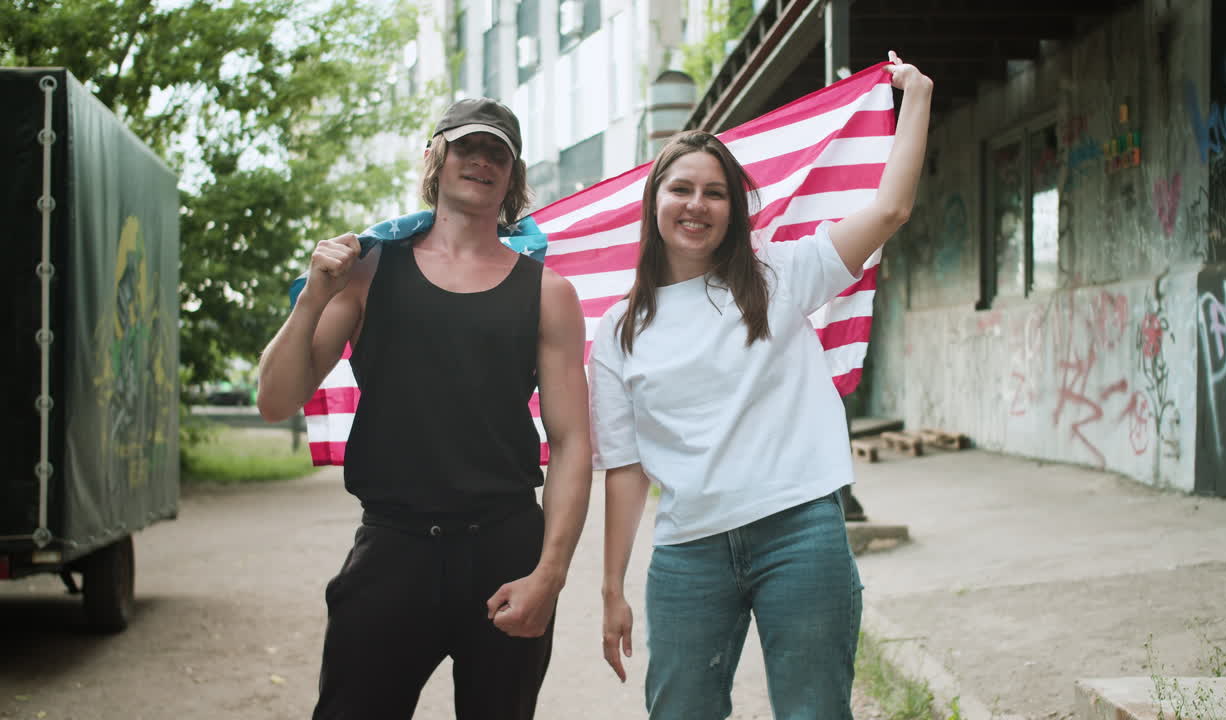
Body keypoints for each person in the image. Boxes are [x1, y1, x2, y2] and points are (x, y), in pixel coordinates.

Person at [591, 52, 931, 719]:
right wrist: (611, 588)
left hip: (801, 533)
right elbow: (625, 468)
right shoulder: (618, 330)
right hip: (689, 552)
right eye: (680, 188)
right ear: (654, 200)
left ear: (734, 209)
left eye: (715, 192)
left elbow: (890, 209)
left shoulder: (781, 274)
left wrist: (915, 96)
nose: (697, 205)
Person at [256, 97, 592, 720]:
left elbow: (572, 442)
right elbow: (275, 400)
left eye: (499, 153)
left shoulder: (547, 293)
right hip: (393, 550)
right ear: (436, 158)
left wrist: (550, 575)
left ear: (513, 177)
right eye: (468, 147)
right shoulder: (368, 271)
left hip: (504, 552)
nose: (482, 161)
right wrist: (311, 299)